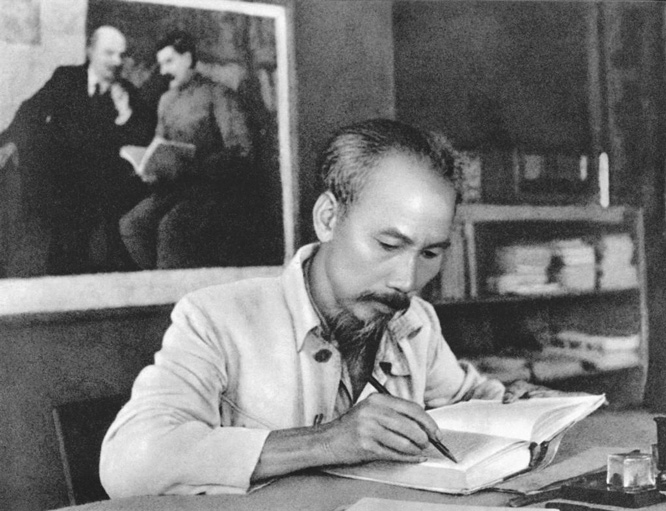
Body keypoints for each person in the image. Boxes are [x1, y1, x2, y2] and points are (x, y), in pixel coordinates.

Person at [100, 118, 567, 497]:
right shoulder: (217, 319)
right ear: (328, 218)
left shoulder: (414, 323)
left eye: (430, 253)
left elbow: (470, 401)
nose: (406, 281)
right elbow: (129, 463)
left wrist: (527, 408)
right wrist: (327, 442)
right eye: (388, 244)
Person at [0, 25, 155, 276]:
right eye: (109, 53)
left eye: (121, 54)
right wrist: (11, 142)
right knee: (62, 249)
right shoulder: (67, 78)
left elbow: (143, 140)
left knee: (108, 249)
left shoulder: (129, 93)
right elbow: (32, 109)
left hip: (106, 185)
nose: (117, 61)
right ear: (90, 51)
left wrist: (125, 114)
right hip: (63, 182)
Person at [119, 30, 255, 270]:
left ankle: (173, 284)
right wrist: (150, 169)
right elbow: (159, 146)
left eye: (169, 62)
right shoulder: (166, 101)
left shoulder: (218, 94)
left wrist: (195, 165)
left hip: (213, 190)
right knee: (131, 225)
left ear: (189, 58)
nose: (163, 71)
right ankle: (162, 280)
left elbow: (242, 152)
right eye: (161, 64)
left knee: (171, 228)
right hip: (175, 189)